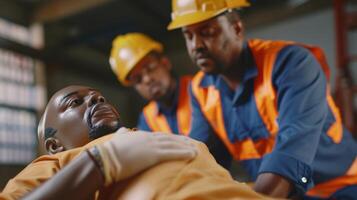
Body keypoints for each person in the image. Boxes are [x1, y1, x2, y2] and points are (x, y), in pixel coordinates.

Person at [167, 0, 357, 199]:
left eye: (207, 32)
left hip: (340, 185)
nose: (196, 45)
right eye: (188, 36)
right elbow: (203, 164)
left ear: (237, 28)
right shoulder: (200, 91)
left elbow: (290, 157)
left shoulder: (291, 64)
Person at [0, 85, 274, 200]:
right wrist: (97, 163)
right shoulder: (55, 164)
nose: (96, 100)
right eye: (75, 102)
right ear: (55, 145)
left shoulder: (153, 137)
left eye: (100, 97)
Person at [109, 33, 232, 168]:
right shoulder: (147, 118)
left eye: (150, 68)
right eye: (138, 79)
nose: (147, 79)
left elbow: (202, 145)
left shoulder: (199, 90)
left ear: (165, 63)